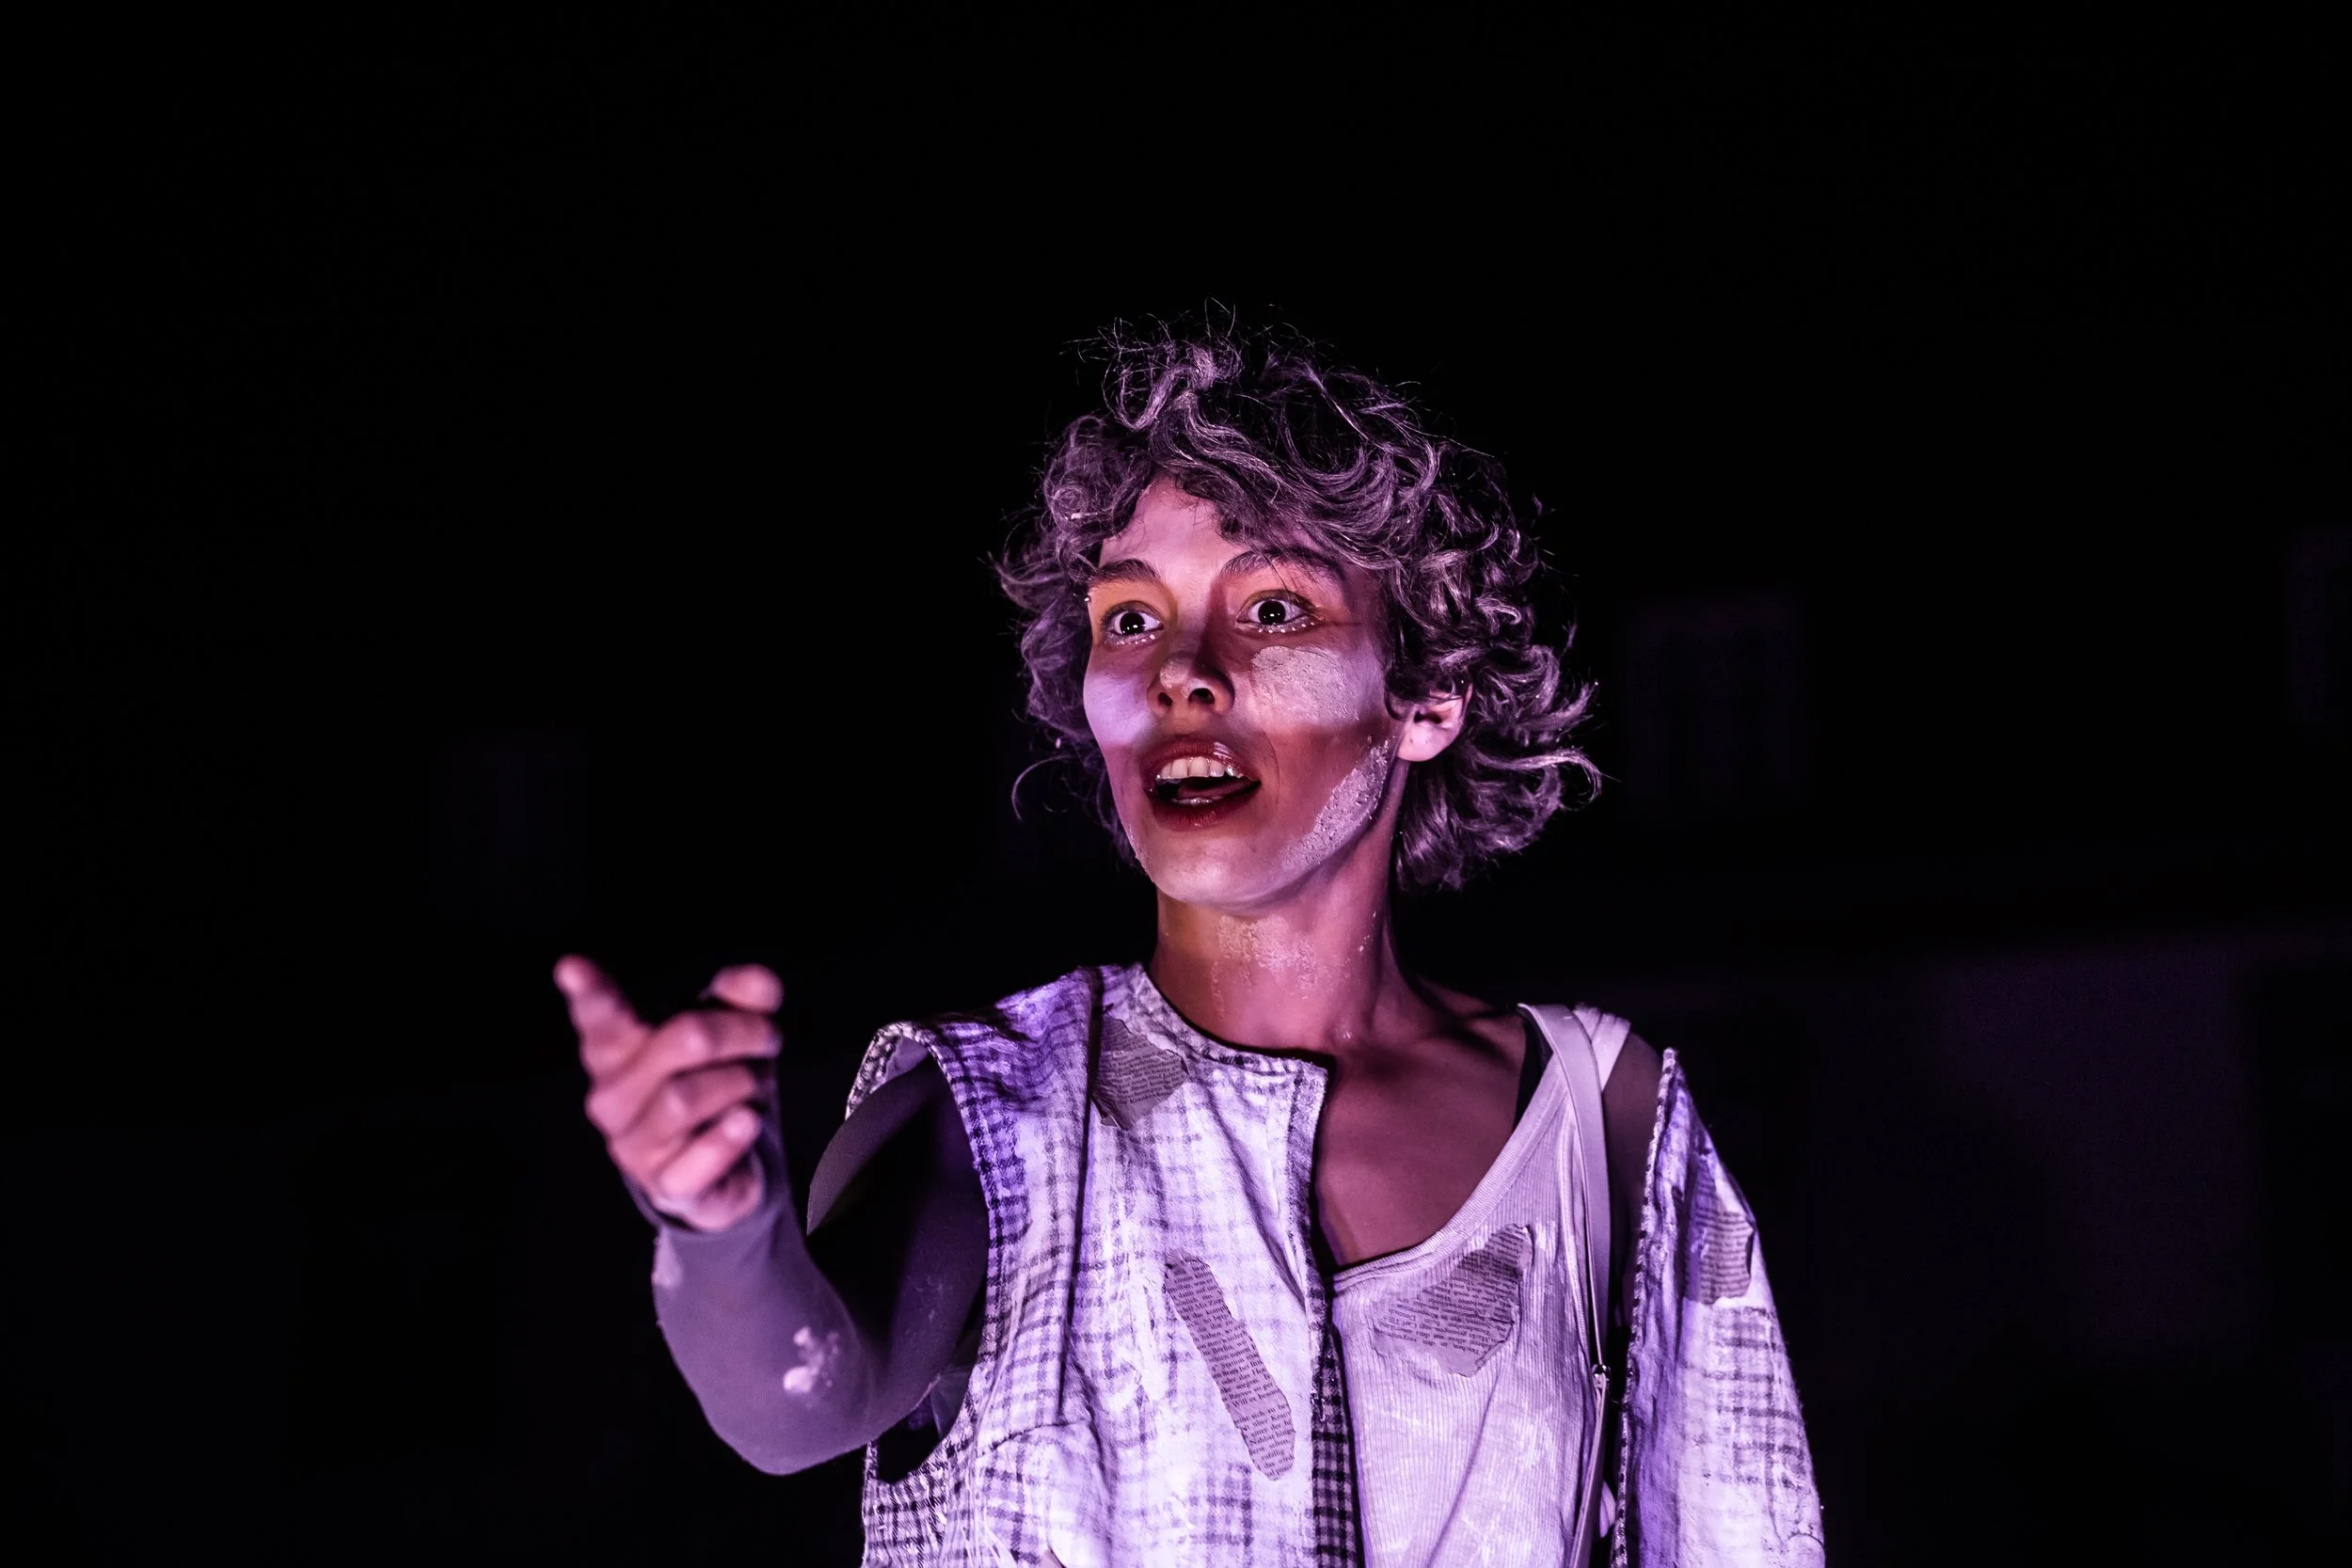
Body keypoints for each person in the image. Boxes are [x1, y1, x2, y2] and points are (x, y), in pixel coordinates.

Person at [554, 323, 1823, 1566]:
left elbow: (1738, 1524)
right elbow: (798, 1405)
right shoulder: (992, 1107)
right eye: (1129, 620)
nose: (1180, 671)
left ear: (1426, 695)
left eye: (1272, 607)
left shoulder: (1602, 1118)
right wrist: (720, 1224)